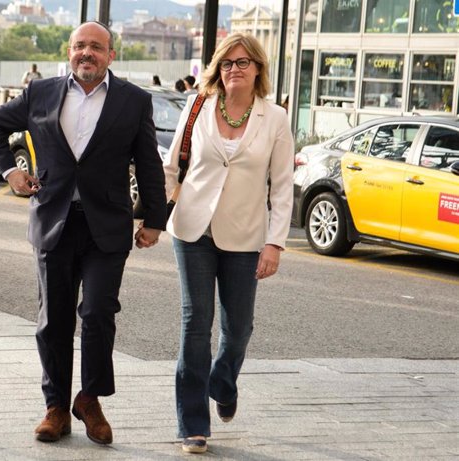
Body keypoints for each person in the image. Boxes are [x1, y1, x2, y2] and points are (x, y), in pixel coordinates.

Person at [0, 21, 167, 446]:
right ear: (69, 51)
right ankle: (55, 408)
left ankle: (90, 398)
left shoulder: (134, 101)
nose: (87, 53)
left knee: (99, 312)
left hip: (107, 227)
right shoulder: (40, 93)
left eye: (96, 48)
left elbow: (148, 162)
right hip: (53, 221)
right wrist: (9, 171)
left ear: (111, 55)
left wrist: (155, 219)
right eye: (80, 46)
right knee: (54, 320)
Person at [163, 32, 293, 454]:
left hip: (245, 234)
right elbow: (172, 166)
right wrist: (157, 215)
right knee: (195, 323)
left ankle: (223, 380)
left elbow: (282, 187)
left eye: (242, 62)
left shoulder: (274, 118)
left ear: (258, 68)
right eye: (226, 63)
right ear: (218, 69)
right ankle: (193, 424)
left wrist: (275, 243)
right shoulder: (197, 105)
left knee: (238, 329)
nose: (233, 69)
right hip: (192, 230)